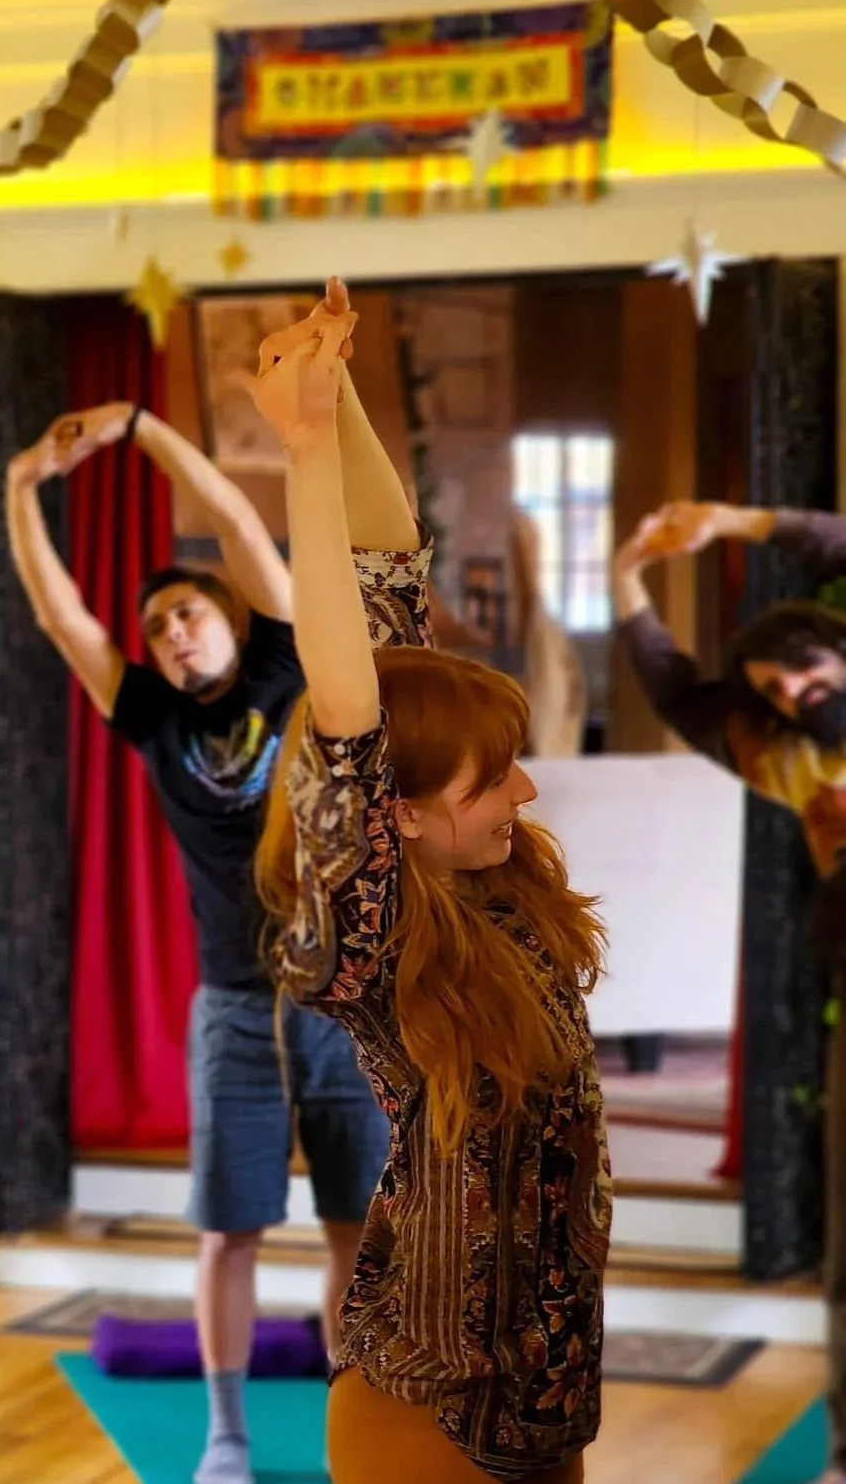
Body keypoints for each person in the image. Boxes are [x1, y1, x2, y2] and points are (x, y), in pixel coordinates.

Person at [252, 285, 610, 1483]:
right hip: (431, 1410)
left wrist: (337, 383)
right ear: (390, 817)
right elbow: (345, 708)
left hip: (544, 1396)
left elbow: (384, 575)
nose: (522, 798)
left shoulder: (492, 891)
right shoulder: (367, 932)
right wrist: (294, 448)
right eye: (489, 781)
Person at [3, 388, 389, 1480]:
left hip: (340, 1002)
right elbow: (58, 617)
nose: (172, 634)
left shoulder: (285, 663)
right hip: (230, 1011)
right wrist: (20, 486)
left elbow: (229, 512)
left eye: (188, 614)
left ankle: (352, 1424)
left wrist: (136, 427)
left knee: (355, 1233)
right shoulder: (152, 718)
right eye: (158, 628)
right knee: (228, 1233)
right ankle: (225, 1436)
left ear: (226, 615)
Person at [615, 499, 846, 1484]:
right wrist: (627, 569)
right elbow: (670, 685)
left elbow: (834, 543)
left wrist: (730, 521)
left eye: (803, 670)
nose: (794, 693)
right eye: (773, 688)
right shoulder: (785, 761)